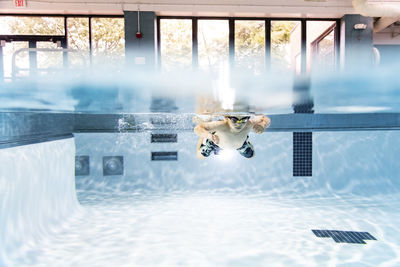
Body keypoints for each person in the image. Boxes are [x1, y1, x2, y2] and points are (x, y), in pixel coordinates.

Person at [194, 115, 271, 159]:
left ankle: (246, 141)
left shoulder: (249, 123)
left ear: (247, 118)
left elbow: (264, 118)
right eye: (234, 120)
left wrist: (263, 124)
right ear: (227, 118)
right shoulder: (222, 125)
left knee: (251, 155)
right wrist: (208, 135)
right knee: (200, 156)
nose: (239, 124)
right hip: (215, 142)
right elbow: (197, 128)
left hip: (239, 145)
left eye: (243, 120)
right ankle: (206, 121)